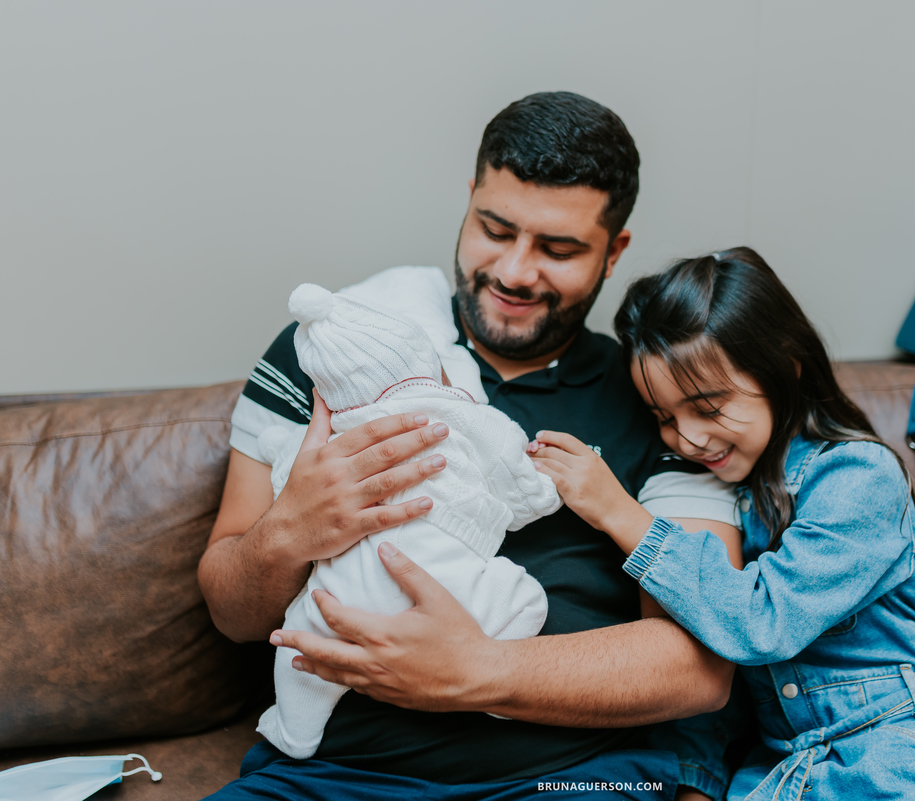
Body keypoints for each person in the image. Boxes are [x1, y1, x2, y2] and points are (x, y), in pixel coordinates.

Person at [198, 92, 742, 800]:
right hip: (330, 777)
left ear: (616, 250)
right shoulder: (331, 353)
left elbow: (698, 665)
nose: (515, 272)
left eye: (559, 248)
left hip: (568, 779)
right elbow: (230, 614)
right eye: (495, 228)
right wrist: (287, 531)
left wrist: (477, 671)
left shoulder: (658, 399)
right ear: (469, 201)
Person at [530, 248, 915, 800]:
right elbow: (713, 676)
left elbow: (762, 621)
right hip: (786, 768)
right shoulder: (724, 495)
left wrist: (619, 513)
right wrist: (697, 784)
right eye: (663, 417)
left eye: (707, 408)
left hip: (902, 750)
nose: (686, 438)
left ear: (785, 365)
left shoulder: (859, 475)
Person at [255, 280, 560, 760]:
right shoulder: (460, 412)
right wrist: (545, 493)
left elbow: (285, 483)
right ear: (430, 366)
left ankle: (296, 732)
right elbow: (517, 481)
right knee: (523, 598)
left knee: (299, 646)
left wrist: (278, 447)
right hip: (447, 573)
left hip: (340, 592)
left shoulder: (324, 444)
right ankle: (503, 696)